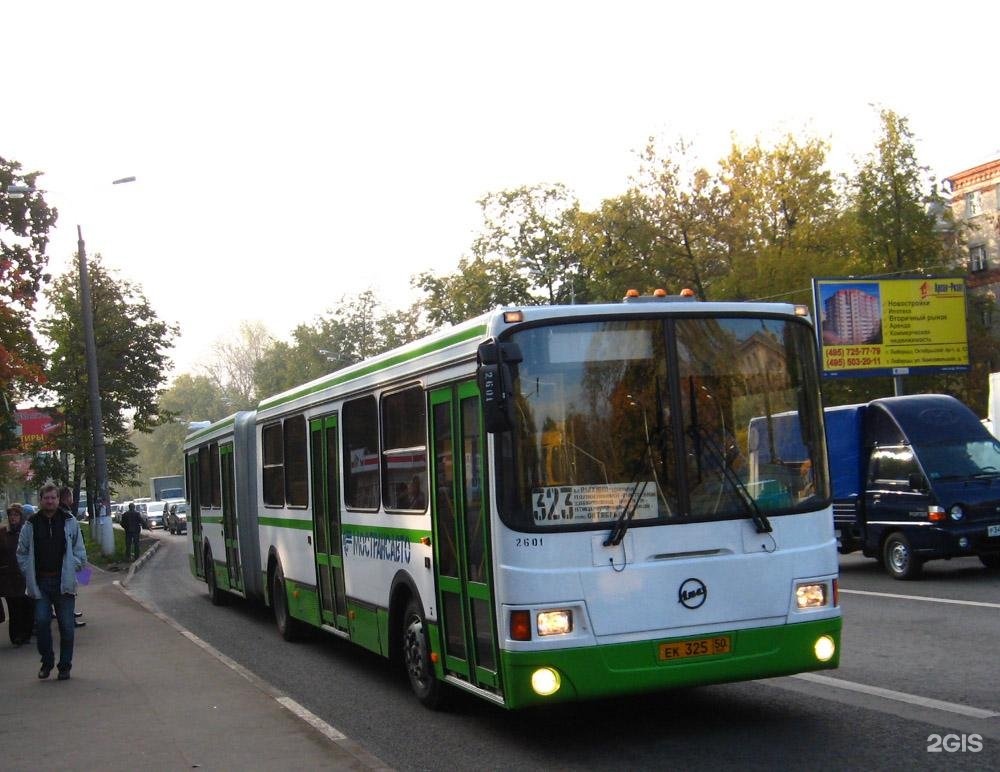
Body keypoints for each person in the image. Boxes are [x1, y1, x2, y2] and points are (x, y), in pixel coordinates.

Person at [16, 483, 88, 680]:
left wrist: (73, 567)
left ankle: (64, 666)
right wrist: (27, 572)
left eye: (53, 498)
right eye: (46, 498)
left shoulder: (69, 521)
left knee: (66, 626)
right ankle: (47, 662)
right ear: (40, 500)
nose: (50, 501)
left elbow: (80, 551)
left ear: (58, 500)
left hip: (63, 583)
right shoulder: (31, 524)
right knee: (41, 622)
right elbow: (22, 552)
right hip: (40, 583)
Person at [1, 504, 34, 646]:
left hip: (25, 574)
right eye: (11, 515)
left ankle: (26, 634)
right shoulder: (2, 533)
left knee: (27, 605)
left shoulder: (26, 531)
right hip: (9, 576)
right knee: (14, 608)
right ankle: (16, 637)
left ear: (21, 517)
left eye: (16, 515)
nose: (13, 518)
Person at [58, 487, 86, 628]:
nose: (72, 500)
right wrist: (76, 562)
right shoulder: (65, 515)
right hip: (66, 562)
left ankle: (70, 616)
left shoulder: (64, 513)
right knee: (69, 590)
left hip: (68, 560)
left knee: (68, 590)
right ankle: (69, 619)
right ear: (65, 498)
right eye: (70, 496)